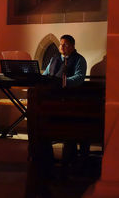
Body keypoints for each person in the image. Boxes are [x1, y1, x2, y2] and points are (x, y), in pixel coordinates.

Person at [43, 34, 89, 165]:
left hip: (70, 100)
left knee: (70, 131)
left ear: (73, 46)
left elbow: (79, 78)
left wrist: (62, 82)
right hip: (52, 99)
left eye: (65, 44)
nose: (62, 47)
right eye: (60, 44)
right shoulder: (54, 59)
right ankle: (46, 159)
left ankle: (70, 159)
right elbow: (46, 75)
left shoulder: (79, 60)